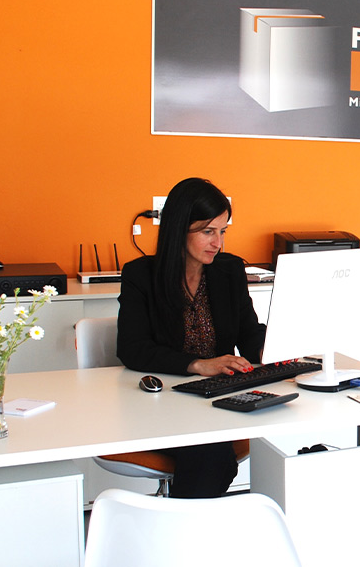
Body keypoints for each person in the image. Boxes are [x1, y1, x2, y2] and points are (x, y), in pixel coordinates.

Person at [117, 177, 266, 498]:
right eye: (207, 232)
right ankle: (183, 534)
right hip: (164, 402)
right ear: (178, 229)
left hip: (219, 400)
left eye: (222, 231)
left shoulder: (228, 270)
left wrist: (273, 347)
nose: (218, 244)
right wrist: (199, 365)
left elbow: (249, 331)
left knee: (215, 455)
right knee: (213, 459)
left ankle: (181, 531)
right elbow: (131, 349)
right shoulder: (140, 276)